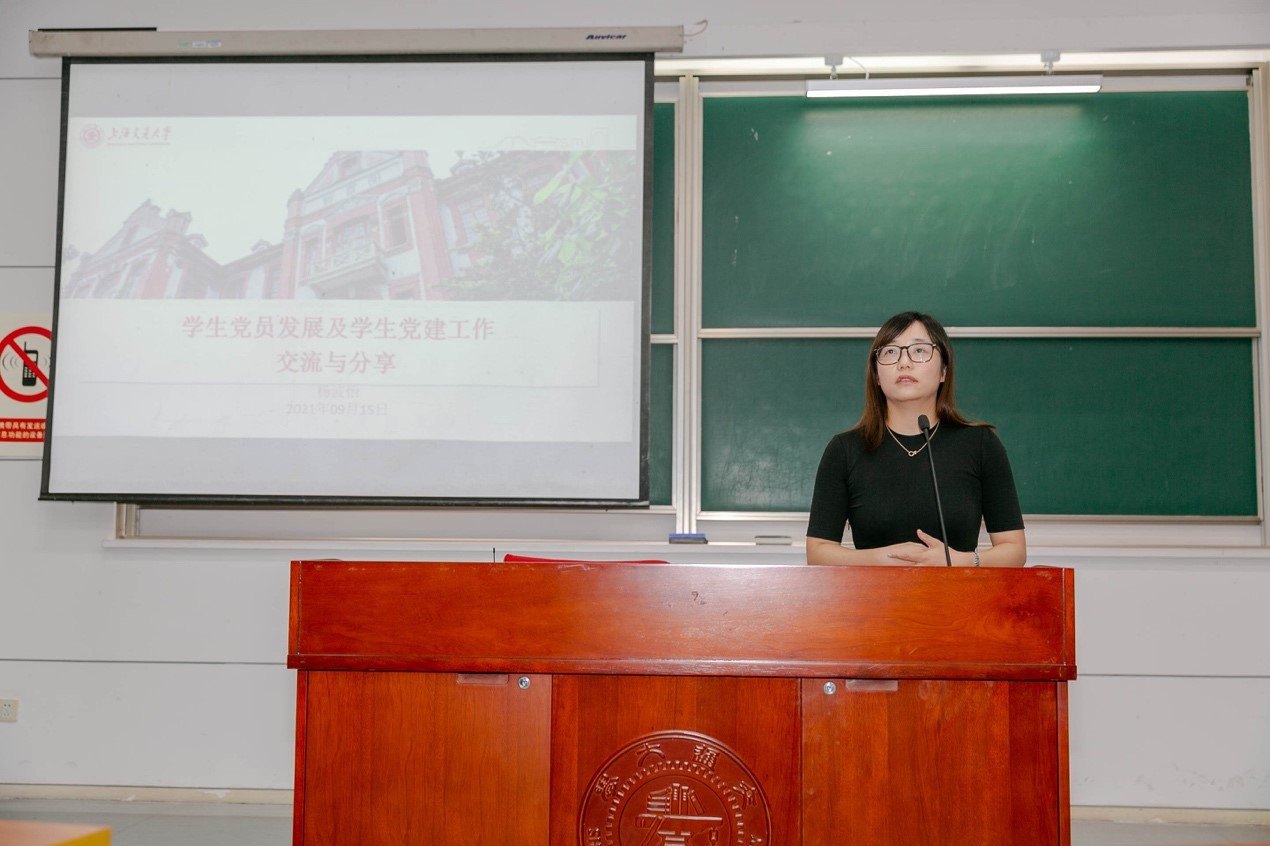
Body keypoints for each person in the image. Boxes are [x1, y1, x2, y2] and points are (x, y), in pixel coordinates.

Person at [806, 311, 1026, 567]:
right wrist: (884, 558)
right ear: (876, 376)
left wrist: (960, 561)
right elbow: (818, 552)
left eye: (919, 350)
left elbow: (1014, 550)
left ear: (943, 371)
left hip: (959, 592)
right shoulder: (845, 450)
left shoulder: (980, 444)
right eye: (890, 352)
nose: (904, 363)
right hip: (873, 592)